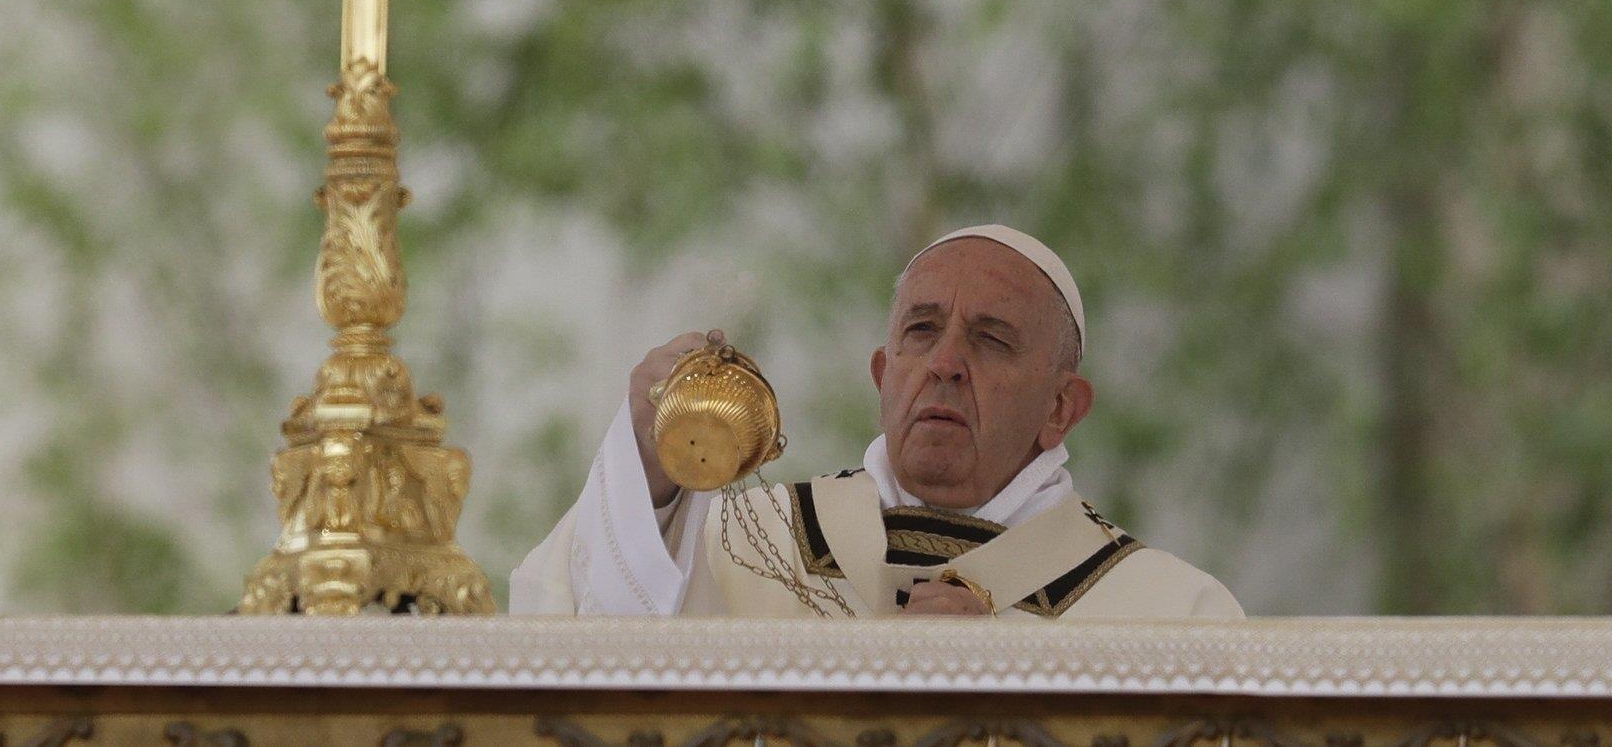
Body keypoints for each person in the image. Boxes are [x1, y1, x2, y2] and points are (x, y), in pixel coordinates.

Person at [508, 224, 1243, 618]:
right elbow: (569, 635)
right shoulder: (730, 544)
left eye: (991, 338)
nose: (946, 362)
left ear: (1061, 407)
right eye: (921, 331)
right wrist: (650, 469)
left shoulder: (1171, 614)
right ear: (883, 375)